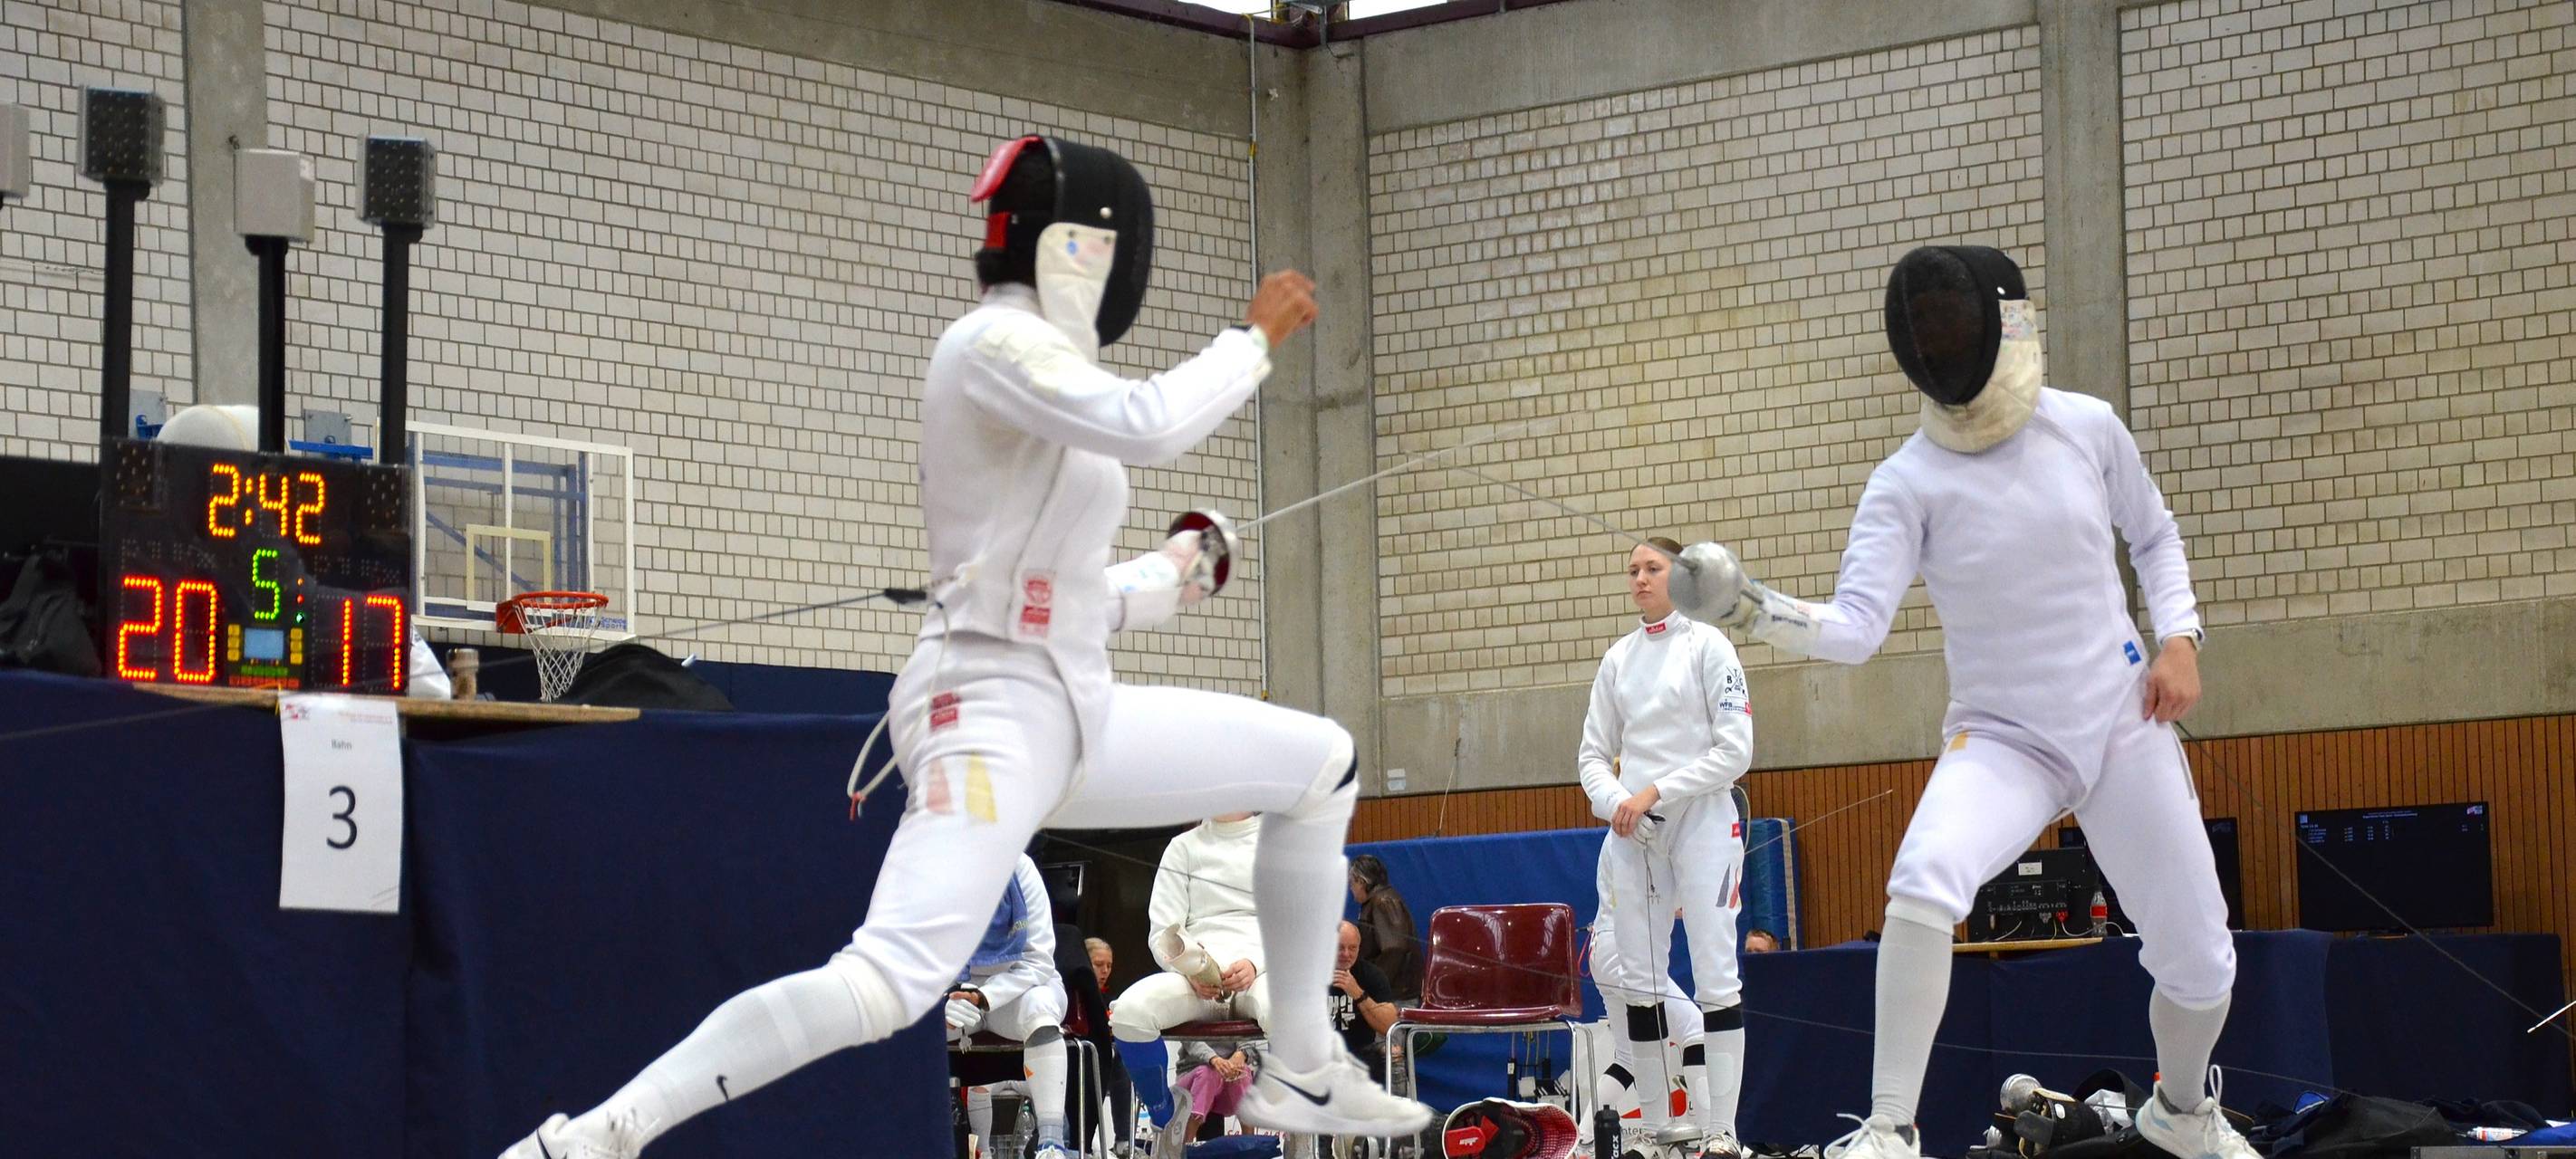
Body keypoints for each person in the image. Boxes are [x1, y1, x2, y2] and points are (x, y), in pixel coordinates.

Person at [499, 133, 1431, 1158]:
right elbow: (1152, 421)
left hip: (1070, 705)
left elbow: (1062, 593)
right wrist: (1250, 340)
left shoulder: (1043, 380)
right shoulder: (994, 346)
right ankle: (591, 1138)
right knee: (887, 979)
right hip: (986, 709)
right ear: (1080, 250)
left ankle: (1302, 1065)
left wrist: (1170, 574)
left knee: (1318, 762)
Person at [1666, 245, 2246, 1159]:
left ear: (2005, 321)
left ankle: (2181, 1110)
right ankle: (1890, 1127)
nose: (1940, 341)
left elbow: (2156, 533)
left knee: (2203, 958)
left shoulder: (2088, 427)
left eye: (1952, 322)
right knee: (1922, 881)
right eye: (1924, 328)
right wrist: (1749, 605)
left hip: (2123, 719)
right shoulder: (1907, 479)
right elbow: (1857, 627)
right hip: (2006, 737)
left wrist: (2180, 638)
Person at [1579, 536, 1754, 1159]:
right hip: (1637, 832)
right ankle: (1657, 1129)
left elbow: (1735, 751)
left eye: (1651, 568)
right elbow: (1592, 757)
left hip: (1705, 820)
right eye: (1632, 570)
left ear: (1679, 576)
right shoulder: (1619, 659)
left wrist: (1653, 789)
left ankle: (1723, 1132)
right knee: (1640, 982)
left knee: (1715, 975)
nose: (1639, 580)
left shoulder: (1711, 646)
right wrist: (1619, 803)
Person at [1111, 813, 1270, 1131]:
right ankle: (1167, 1118)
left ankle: (1300, 1137)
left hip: (1262, 973)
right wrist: (1189, 970)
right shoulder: (1182, 847)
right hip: (1198, 979)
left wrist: (1256, 962)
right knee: (1130, 1014)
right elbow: (1163, 932)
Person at [948, 854, 1074, 1154]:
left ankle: (1051, 1143)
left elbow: (1039, 959)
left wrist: (984, 998)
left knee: (1041, 1008)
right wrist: (941, 999)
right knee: (910, 1022)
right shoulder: (933, 867)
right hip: (957, 990)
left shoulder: (1021, 868)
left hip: (1022, 986)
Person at [1588, 840, 1705, 1155]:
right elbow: (1655, 896)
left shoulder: (1618, 834)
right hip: (1627, 950)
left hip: (1602, 951)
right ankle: (1710, 1136)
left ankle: (1582, 1139)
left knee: (1627, 1056)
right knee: (1696, 1028)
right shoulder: (1637, 836)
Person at [1328, 921, 1399, 1082]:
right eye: (1340, 947)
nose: (1346, 954)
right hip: (1318, 1055)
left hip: (1360, 1055)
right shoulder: (1310, 973)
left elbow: (1390, 1026)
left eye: (1352, 948)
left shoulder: (1372, 975)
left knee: (1388, 1058)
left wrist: (1358, 993)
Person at [1347, 855, 1420, 1000]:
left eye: (1352, 884)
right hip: (1395, 991)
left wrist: (1375, 984)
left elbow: (1395, 948)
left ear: (1361, 882)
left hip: (1396, 995)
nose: (1351, 889)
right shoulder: (1380, 900)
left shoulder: (1383, 902)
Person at [1168, 1039, 1262, 1149]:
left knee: (1243, 1072)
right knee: (1207, 1073)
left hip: (1226, 1078)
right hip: (1193, 1075)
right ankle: (1182, 1149)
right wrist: (1215, 1060)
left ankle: (1250, 1147)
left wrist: (1242, 1053)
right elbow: (1190, 1041)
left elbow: (1247, 1039)